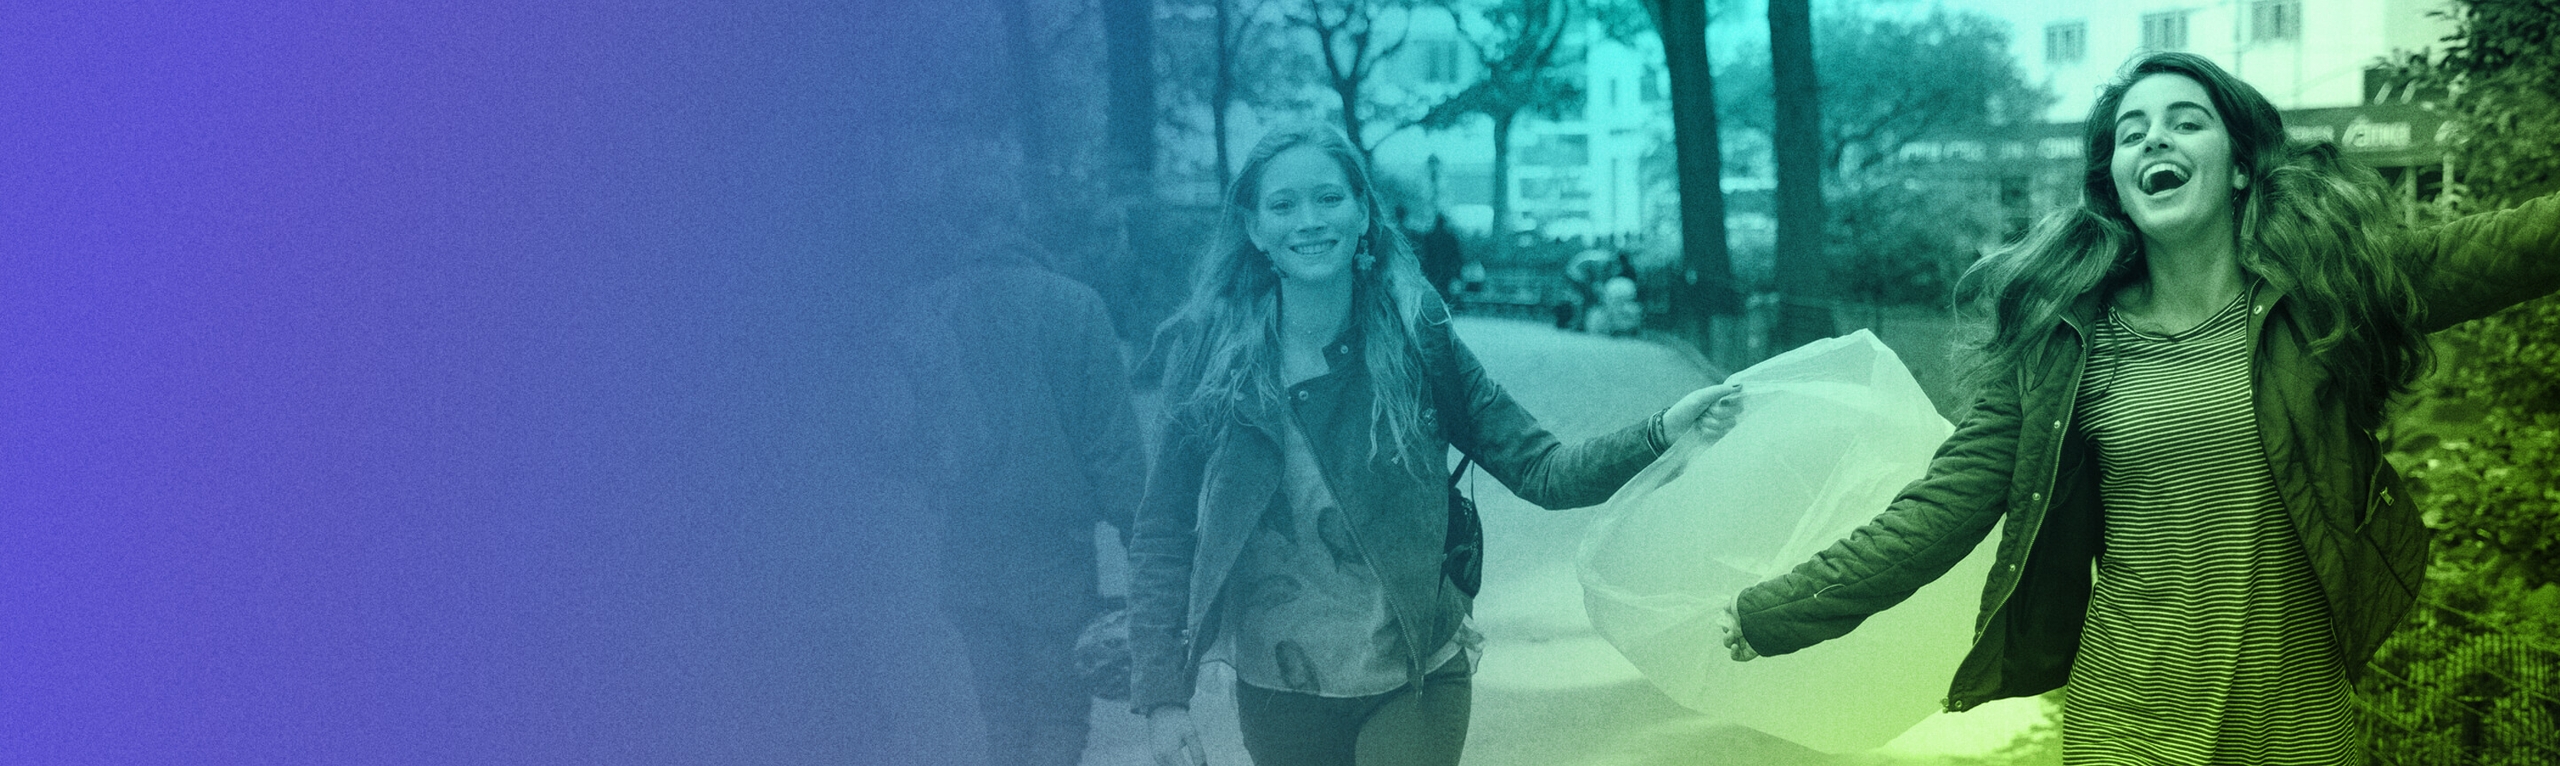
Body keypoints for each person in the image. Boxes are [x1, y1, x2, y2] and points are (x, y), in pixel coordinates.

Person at [1716, 51, 2560, 764]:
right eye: (2132, 131)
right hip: (2128, 725)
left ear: (2238, 166)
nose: (2155, 136)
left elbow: (2514, 246)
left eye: (2187, 120)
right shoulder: (2060, 346)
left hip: (2300, 728)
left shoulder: (2333, 295)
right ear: (2116, 184)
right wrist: (1776, 611)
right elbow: (1940, 510)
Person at [1128, 123, 1742, 766]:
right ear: (1254, 229)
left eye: (1329, 198)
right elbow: (1163, 529)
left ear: (1363, 213)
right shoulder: (1209, 355)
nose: (1309, 220)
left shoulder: (1417, 338)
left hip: (1413, 672)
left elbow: (1543, 469)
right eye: (1283, 205)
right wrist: (1163, 698)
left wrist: (1664, 429)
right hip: (1280, 684)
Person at [891, 168, 1147, 766]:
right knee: (1059, 722)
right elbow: (1115, 457)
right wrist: (1151, 567)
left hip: (966, 557)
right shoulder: (1076, 307)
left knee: (1002, 725)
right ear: (1023, 225)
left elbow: (897, 441)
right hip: (1053, 561)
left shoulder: (926, 310)